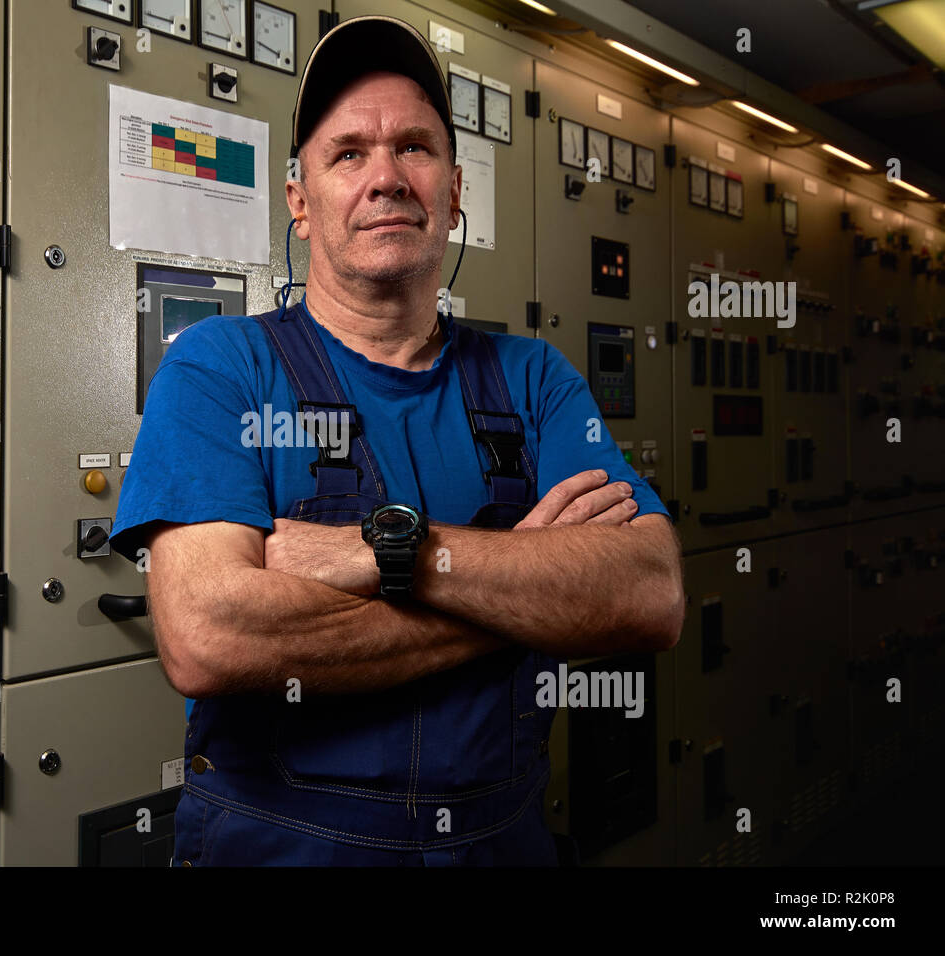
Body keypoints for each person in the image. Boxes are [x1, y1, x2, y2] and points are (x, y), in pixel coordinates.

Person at [110, 15, 685, 866]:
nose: (386, 178)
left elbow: (649, 593)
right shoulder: (219, 367)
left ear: (454, 192)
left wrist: (383, 553)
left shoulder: (534, 379)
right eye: (348, 154)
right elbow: (207, 635)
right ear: (300, 204)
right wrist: (527, 593)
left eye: (414, 148)